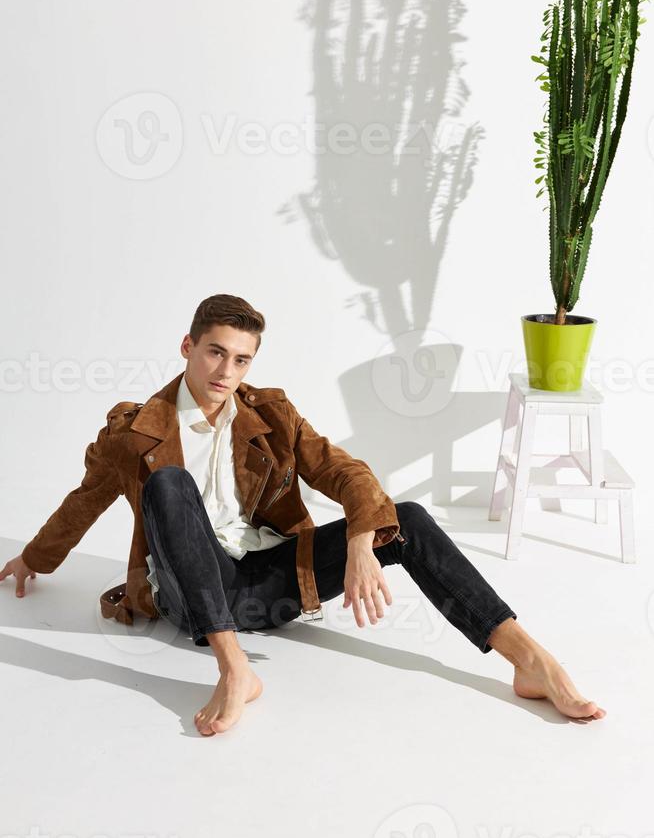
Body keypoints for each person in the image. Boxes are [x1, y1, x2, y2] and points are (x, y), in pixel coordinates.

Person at [0, 293, 606, 735]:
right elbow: (88, 496)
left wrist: (365, 542)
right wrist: (35, 556)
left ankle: (530, 661)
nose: (226, 373)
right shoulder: (136, 430)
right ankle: (234, 669)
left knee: (411, 518)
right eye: (215, 353)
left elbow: (345, 472)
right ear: (188, 348)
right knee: (169, 486)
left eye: (241, 360)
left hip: (268, 583)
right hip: (191, 598)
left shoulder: (271, 414)